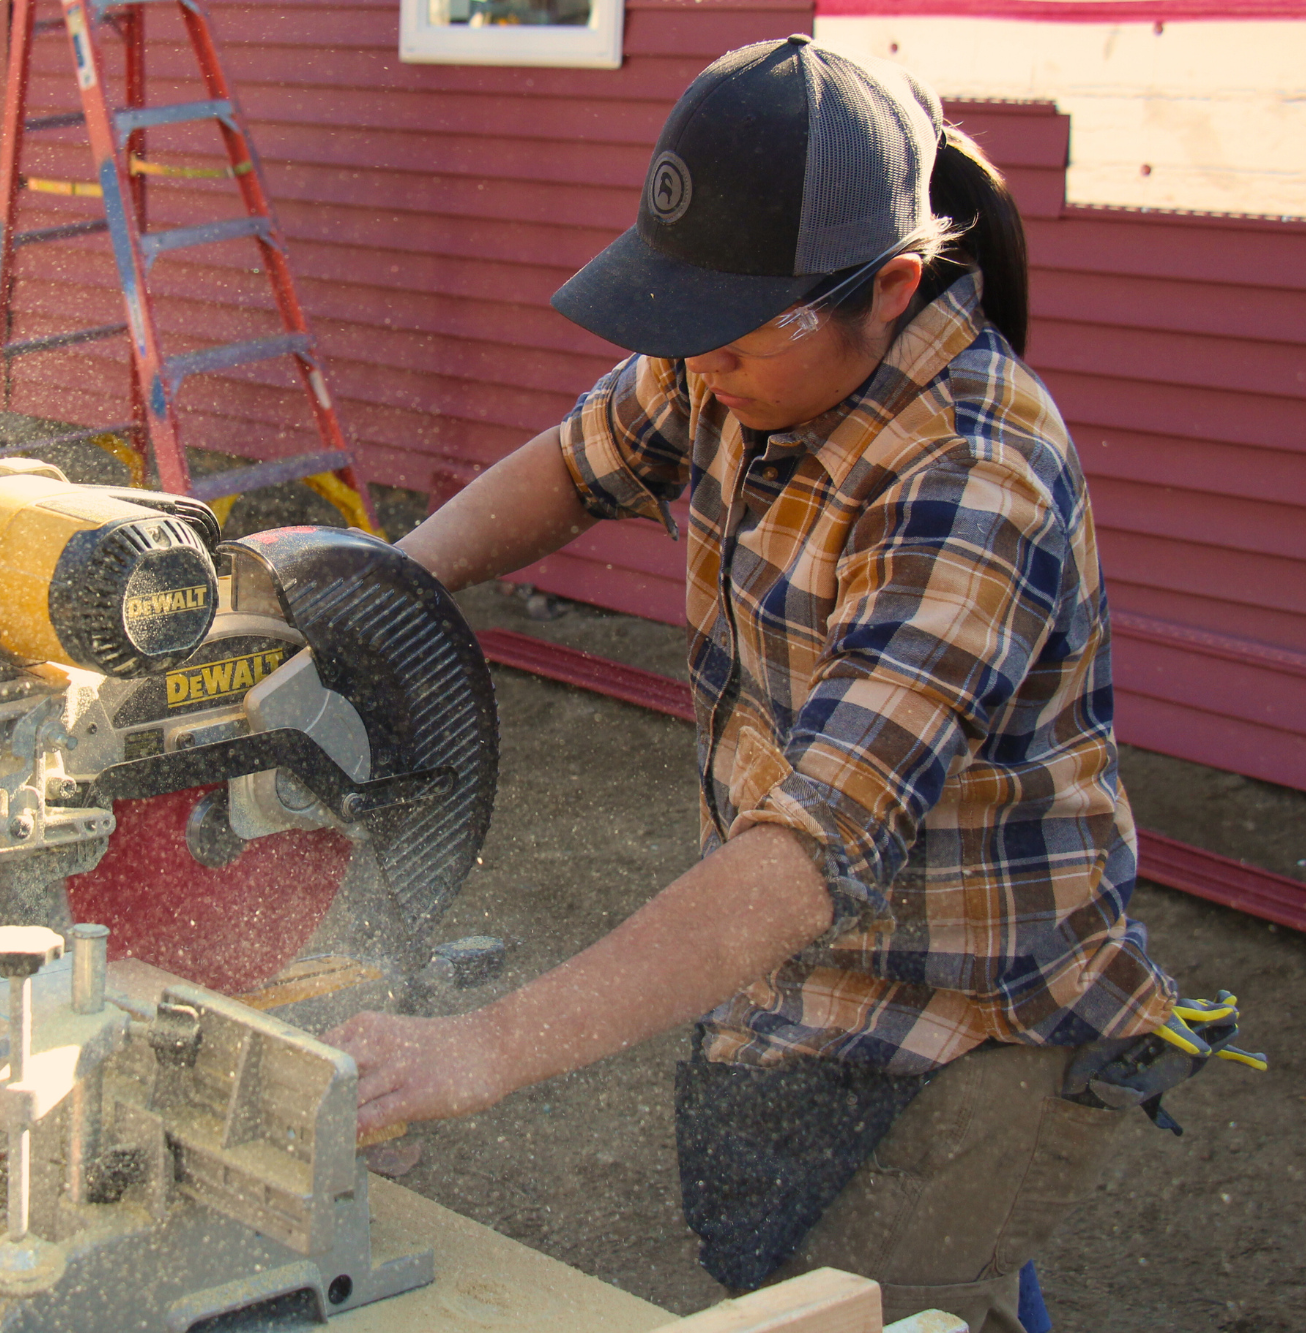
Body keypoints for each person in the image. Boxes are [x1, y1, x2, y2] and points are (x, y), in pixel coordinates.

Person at [326, 36, 1184, 1333]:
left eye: (724, 346)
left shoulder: (970, 482)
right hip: (810, 981)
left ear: (888, 285)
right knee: (783, 1263)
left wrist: (479, 1050)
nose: (696, 371)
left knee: (897, 1308)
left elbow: (802, 858)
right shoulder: (746, 337)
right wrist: (381, 594)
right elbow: (573, 464)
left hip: (974, 1017)